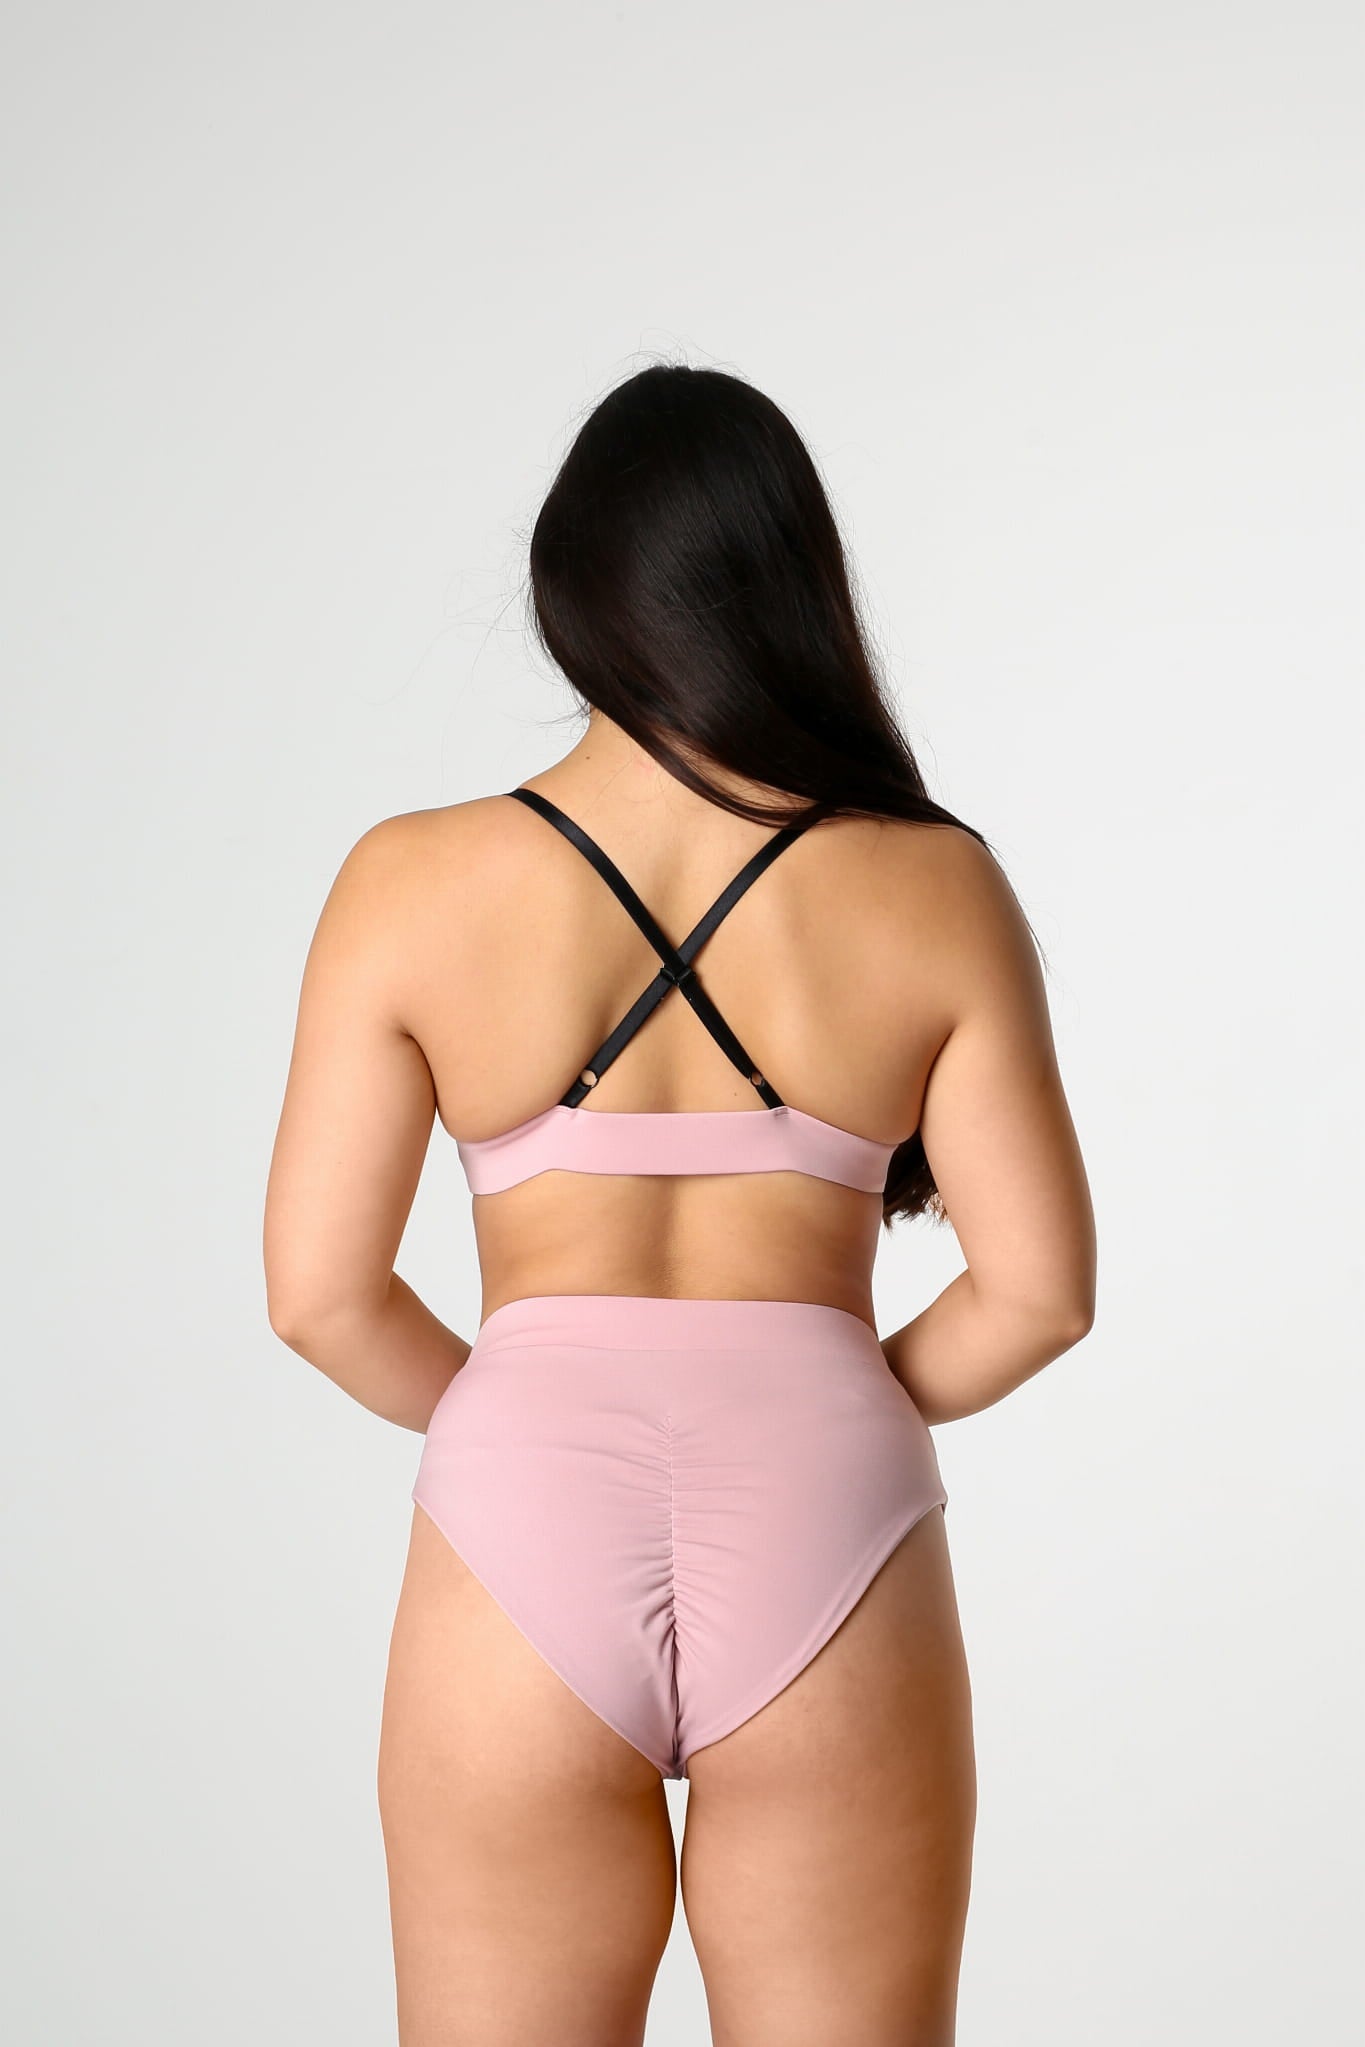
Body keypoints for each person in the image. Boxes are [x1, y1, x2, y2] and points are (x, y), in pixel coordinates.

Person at [263, 364, 1096, 2047]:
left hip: (517, 1519)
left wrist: (525, 1406)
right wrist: (830, 1398)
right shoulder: (931, 883)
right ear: (796, 589)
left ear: (568, 592)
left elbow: (319, 1297)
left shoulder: (407, 881)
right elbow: (1039, 1294)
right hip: (828, 1515)